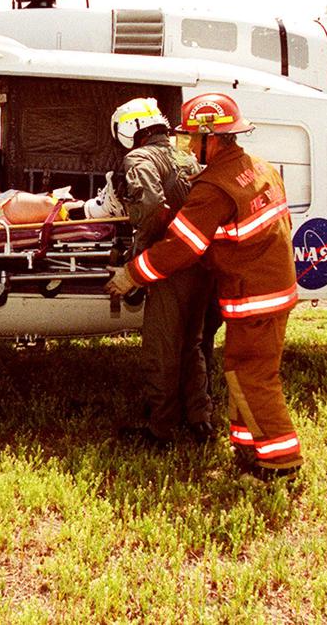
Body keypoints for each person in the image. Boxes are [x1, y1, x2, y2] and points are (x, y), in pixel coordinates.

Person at [106, 92, 302, 480]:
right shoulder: (258, 167)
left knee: (254, 377)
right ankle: (248, 451)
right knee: (237, 372)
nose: (189, 147)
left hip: (255, 295)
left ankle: (280, 464)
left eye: (193, 139)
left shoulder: (214, 185)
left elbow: (183, 245)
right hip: (272, 288)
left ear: (212, 138)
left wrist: (133, 272)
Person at [110, 97, 214, 447]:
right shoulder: (185, 156)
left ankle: (160, 429)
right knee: (193, 344)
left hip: (170, 265)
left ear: (129, 129)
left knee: (161, 347)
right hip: (201, 262)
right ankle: (200, 418)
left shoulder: (138, 158)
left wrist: (139, 262)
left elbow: (151, 207)